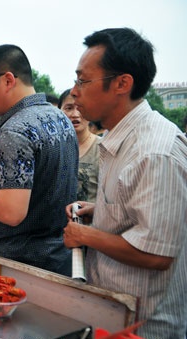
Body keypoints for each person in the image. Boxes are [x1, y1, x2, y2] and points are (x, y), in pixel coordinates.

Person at [62, 28, 187, 338]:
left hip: (143, 325)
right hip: (112, 311)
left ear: (122, 83)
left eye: (83, 80)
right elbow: (136, 215)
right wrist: (100, 210)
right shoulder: (121, 138)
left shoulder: (155, 152)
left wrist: (85, 234)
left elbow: (157, 254)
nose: (75, 91)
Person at [0, 44, 77, 276]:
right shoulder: (60, 117)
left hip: (17, 264)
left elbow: (11, 213)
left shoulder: (15, 131)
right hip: (58, 257)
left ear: (8, 80)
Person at [59, 89, 100, 202]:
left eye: (80, 108)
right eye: (69, 108)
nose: (75, 114)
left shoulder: (103, 148)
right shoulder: (52, 147)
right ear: (58, 112)